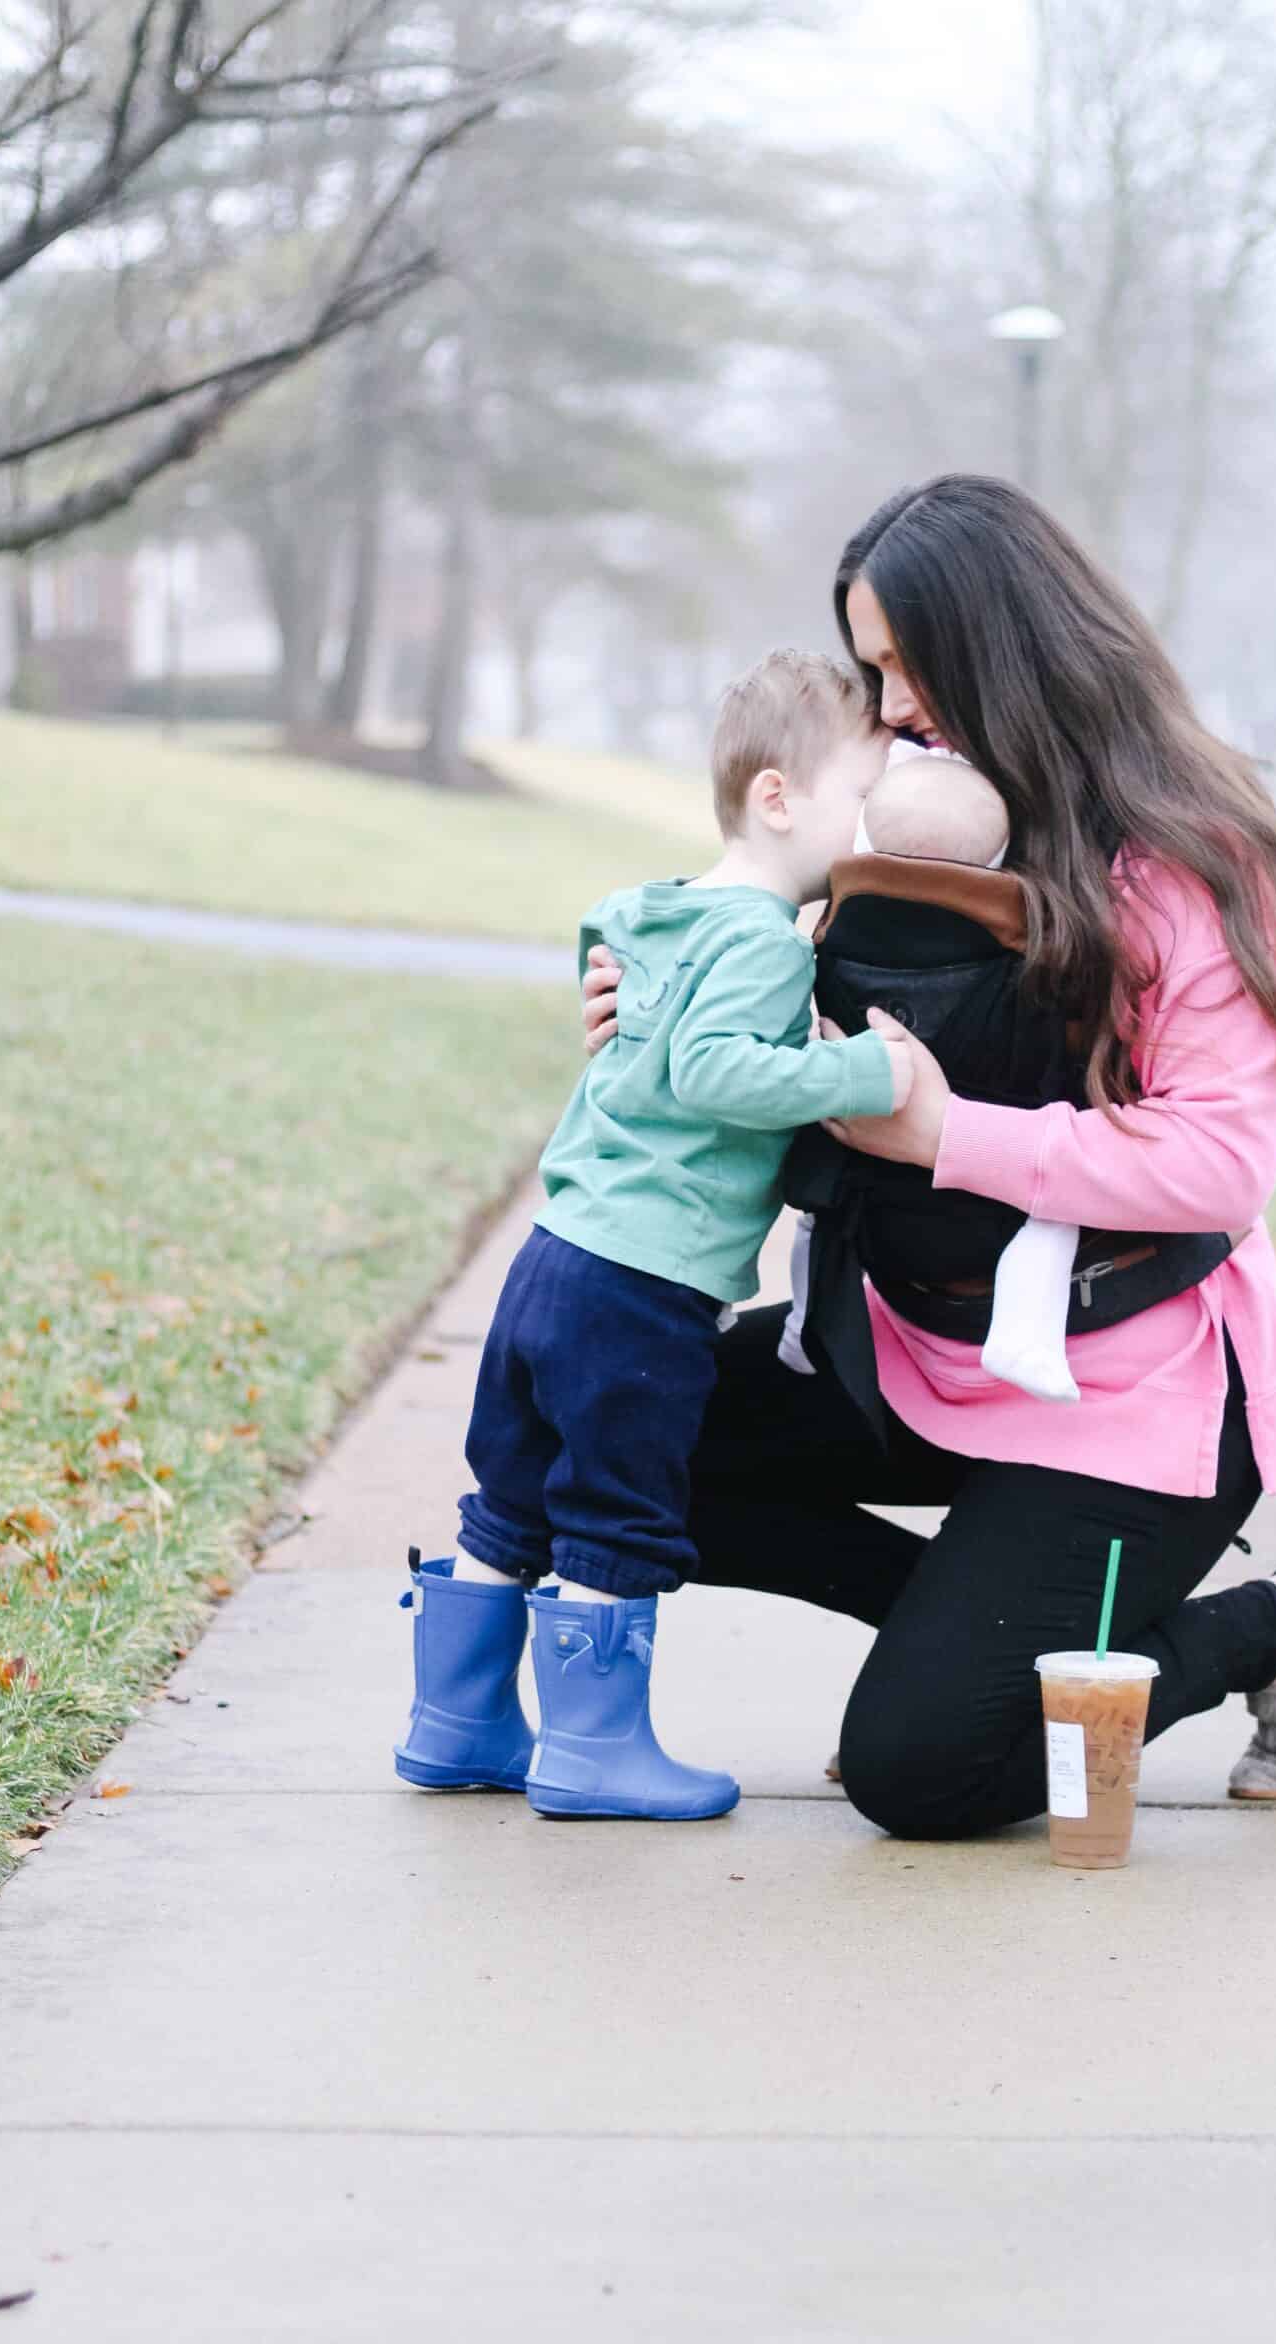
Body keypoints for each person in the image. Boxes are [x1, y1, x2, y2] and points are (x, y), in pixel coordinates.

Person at [581, 476, 1276, 1836]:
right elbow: (780, 1037)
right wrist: (658, 1023)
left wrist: (943, 1135)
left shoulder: (1188, 860)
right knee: (601, 1436)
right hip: (905, 1346)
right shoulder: (904, 839)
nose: (890, 704)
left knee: (927, 1775)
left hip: (1130, 1400)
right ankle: (972, 1658)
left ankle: (1275, 1626)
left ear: (1003, 651)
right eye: (871, 667)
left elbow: (1212, 1168)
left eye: (910, 665)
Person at [394, 649, 907, 1821]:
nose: (873, 828)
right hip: (640, 1289)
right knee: (617, 1508)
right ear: (779, 798)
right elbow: (715, 1068)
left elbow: (605, 960)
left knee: (510, 1499)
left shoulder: (657, 910)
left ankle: (455, 1725)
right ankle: (591, 1753)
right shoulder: (767, 940)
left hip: (553, 1257)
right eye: (861, 800)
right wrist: (863, 1064)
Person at [779, 744, 1101, 1406]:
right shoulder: (1023, 930)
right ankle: (1025, 1330)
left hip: (851, 1143)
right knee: (1058, 1212)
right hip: (995, 1146)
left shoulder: (832, 925)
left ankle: (800, 1324)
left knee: (816, 1217)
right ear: (999, 857)